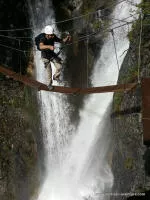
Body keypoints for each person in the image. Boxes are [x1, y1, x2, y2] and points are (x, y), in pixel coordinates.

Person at [39, 25, 70, 90]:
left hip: (52, 55)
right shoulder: (42, 38)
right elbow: (40, 46)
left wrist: (66, 39)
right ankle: (49, 84)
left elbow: (61, 40)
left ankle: (56, 77)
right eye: (51, 35)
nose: (52, 36)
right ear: (47, 34)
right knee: (49, 71)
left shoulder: (53, 36)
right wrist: (49, 46)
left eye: (52, 34)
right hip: (45, 57)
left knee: (59, 66)